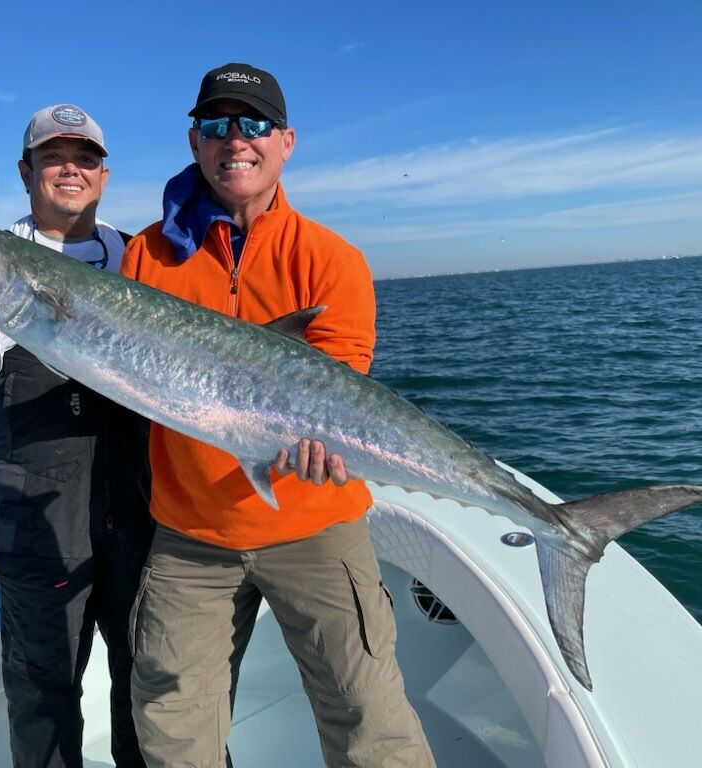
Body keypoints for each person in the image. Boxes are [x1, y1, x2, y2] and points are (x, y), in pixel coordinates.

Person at [120, 64, 436, 768]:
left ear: (286, 141)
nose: (235, 140)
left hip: (315, 523)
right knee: (172, 732)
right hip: (190, 535)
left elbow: (336, 390)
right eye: (216, 124)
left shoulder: (331, 259)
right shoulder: (146, 254)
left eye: (255, 123)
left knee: (370, 720)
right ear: (195, 142)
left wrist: (319, 444)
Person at [0, 104, 152, 768]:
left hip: (142, 506)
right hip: (37, 515)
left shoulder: (139, 254)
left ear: (104, 175)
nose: (69, 169)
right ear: (25, 172)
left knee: (152, 685)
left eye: (84, 158)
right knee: (43, 694)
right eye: (53, 157)